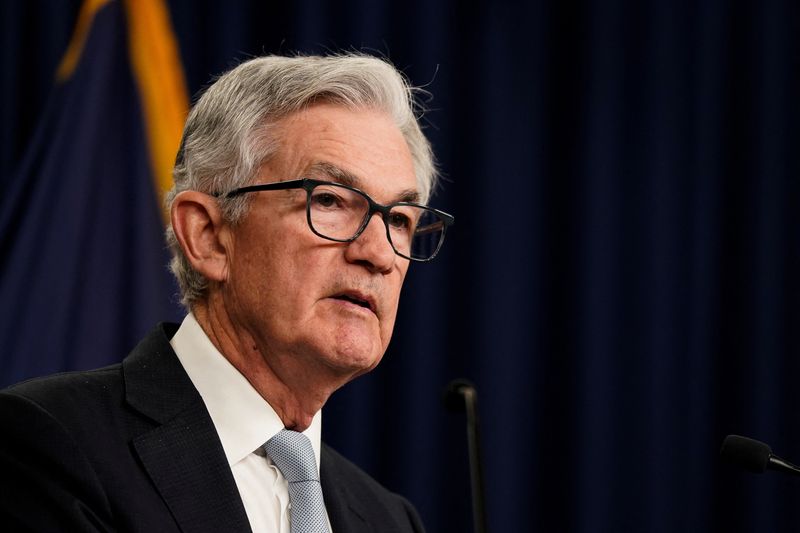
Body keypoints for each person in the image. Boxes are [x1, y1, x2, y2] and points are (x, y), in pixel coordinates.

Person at [0, 53, 453, 532]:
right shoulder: (51, 446)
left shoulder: (389, 519)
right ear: (208, 236)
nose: (379, 254)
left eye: (400, 221)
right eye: (330, 201)